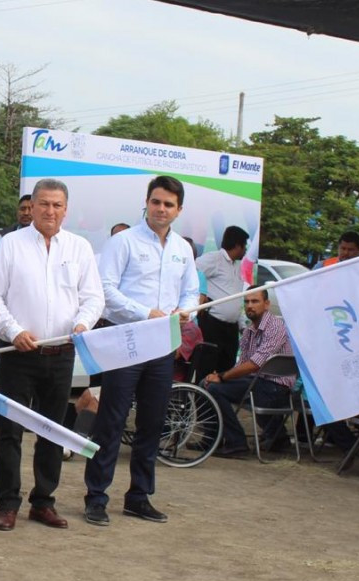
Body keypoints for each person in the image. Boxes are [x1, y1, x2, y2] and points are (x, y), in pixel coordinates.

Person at [0, 178, 104, 531]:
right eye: (43, 204)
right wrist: (14, 332)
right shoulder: (10, 245)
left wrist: (83, 324)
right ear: (32, 207)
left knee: (53, 430)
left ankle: (43, 501)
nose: (50, 211)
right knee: (10, 431)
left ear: (65, 210)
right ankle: (8, 503)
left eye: (57, 205)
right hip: (19, 353)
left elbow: (93, 297)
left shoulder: (80, 248)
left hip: (62, 352)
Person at [84, 175, 199, 526]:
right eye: (156, 202)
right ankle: (97, 496)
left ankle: (139, 496)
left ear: (179, 210)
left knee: (151, 421)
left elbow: (191, 291)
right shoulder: (125, 242)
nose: (161, 209)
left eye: (169, 204)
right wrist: (145, 313)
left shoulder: (182, 249)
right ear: (146, 203)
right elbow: (105, 291)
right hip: (127, 341)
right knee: (112, 420)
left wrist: (187, 310)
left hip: (163, 345)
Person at [202, 289, 294, 457]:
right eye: (247, 302)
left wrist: (222, 377)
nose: (249, 306)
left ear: (267, 304)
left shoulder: (275, 326)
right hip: (258, 383)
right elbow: (242, 365)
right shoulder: (248, 331)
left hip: (275, 388)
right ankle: (212, 440)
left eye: (255, 301)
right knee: (207, 383)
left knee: (214, 388)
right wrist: (221, 376)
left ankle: (236, 443)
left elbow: (254, 364)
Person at [0, 194, 39, 427]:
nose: (25, 212)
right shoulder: (6, 237)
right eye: (22, 208)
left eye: (29, 208)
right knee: (4, 369)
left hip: (36, 323)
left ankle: (29, 415)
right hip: (7, 319)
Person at [196, 226, 250, 372]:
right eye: (245, 245)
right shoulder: (214, 258)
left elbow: (237, 297)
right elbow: (191, 272)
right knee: (206, 366)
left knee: (227, 368)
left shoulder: (238, 266)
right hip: (212, 324)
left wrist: (242, 325)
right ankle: (201, 394)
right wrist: (200, 295)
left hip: (231, 328)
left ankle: (220, 395)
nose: (245, 250)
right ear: (238, 245)